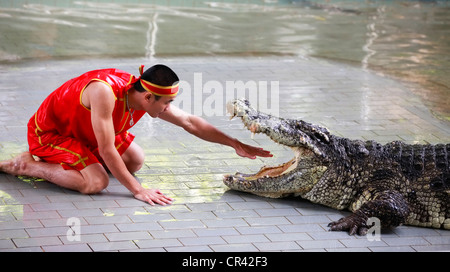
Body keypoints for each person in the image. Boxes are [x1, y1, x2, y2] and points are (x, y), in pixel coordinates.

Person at [0, 65, 272, 205]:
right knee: (95, 183)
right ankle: (28, 165)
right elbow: (106, 150)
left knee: (134, 160)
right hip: (52, 133)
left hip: (85, 133)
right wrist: (138, 190)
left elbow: (189, 122)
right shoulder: (105, 93)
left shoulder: (141, 96)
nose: (169, 109)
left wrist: (235, 143)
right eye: (166, 103)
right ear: (149, 96)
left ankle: (76, 162)